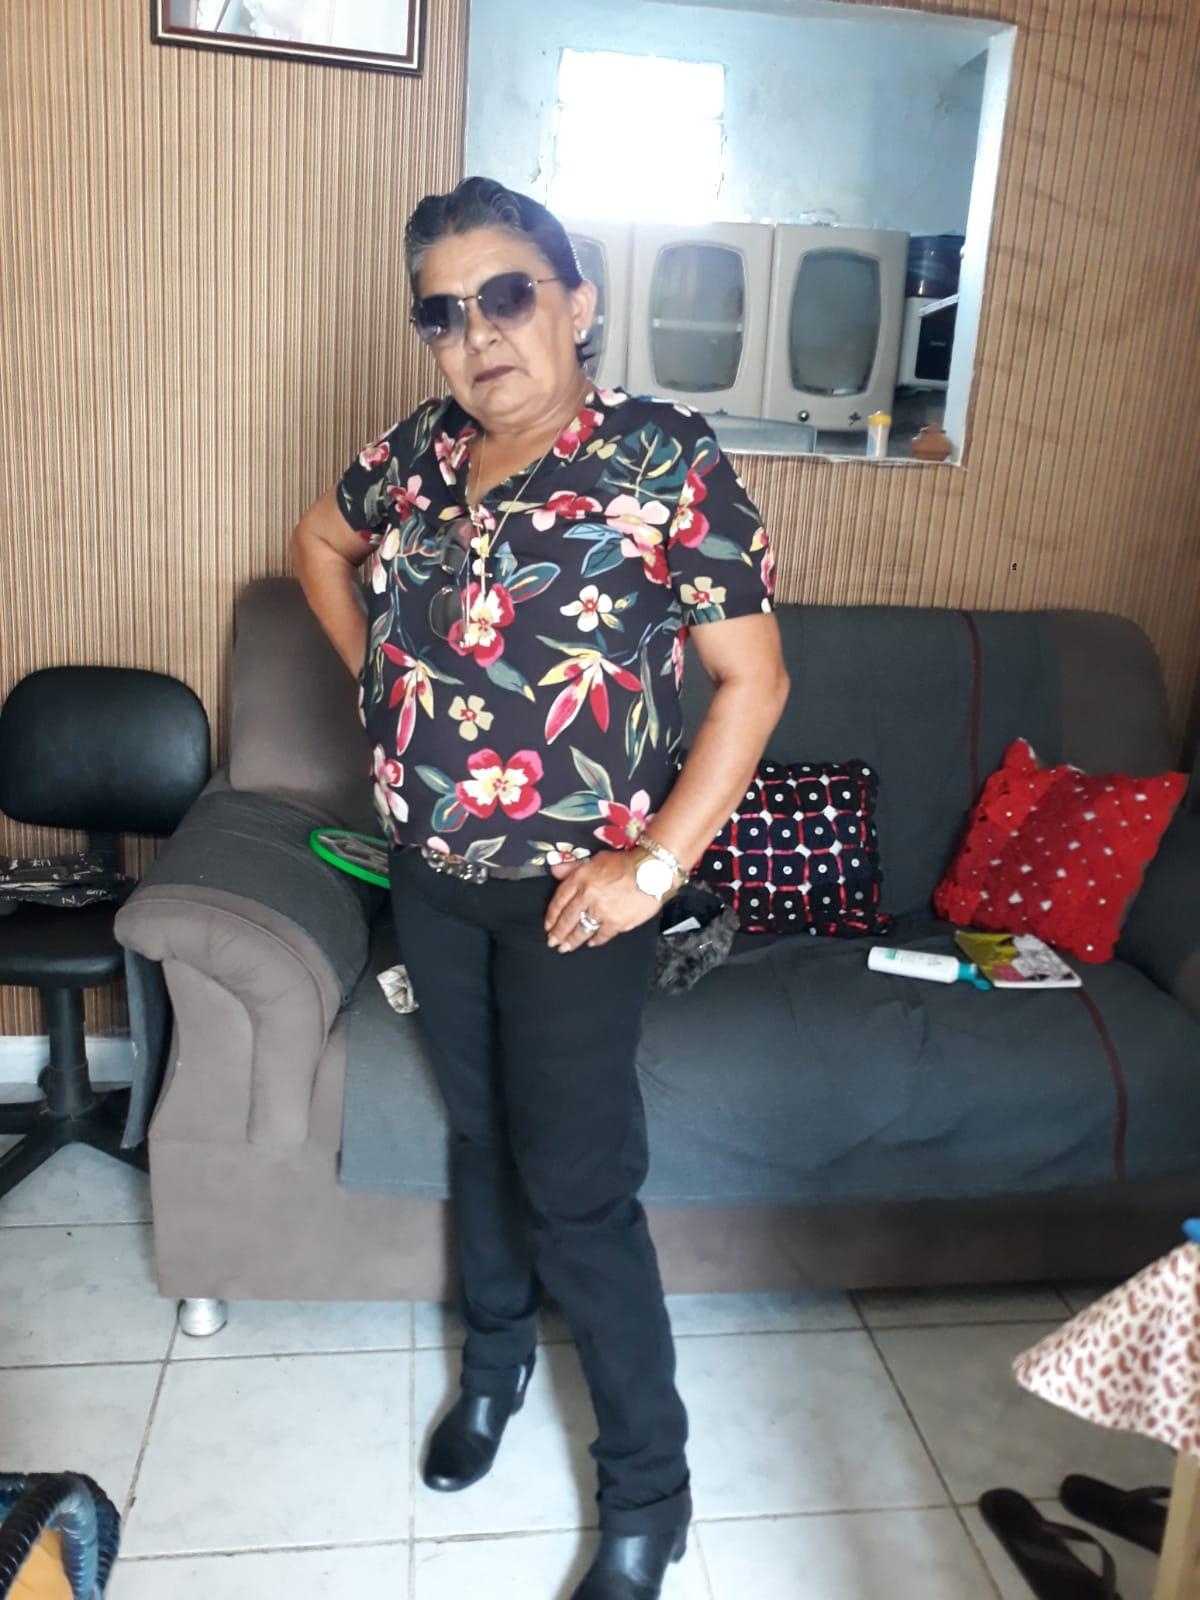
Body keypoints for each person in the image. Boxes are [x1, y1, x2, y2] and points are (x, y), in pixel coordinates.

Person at [291, 176, 789, 1600]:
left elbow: (753, 682)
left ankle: (650, 1494)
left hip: (577, 901)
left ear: (577, 303)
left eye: (507, 295)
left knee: (577, 1187)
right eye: (443, 313)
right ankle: (498, 1366)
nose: (477, 334)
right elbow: (318, 543)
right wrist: (381, 686)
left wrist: (656, 867)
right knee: (479, 1136)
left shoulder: (660, 456)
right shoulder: (416, 452)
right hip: (430, 875)